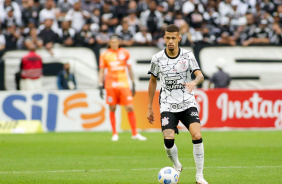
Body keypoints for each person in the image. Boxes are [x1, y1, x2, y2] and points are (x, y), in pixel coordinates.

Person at [147, 24, 208, 184]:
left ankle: (199, 176)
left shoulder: (188, 55)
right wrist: (149, 107)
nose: (170, 41)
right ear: (164, 38)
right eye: (168, 38)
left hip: (187, 102)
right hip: (167, 104)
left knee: (197, 135)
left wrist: (194, 82)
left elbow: (200, 75)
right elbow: (153, 81)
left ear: (179, 38)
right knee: (168, 140)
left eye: (173, 38)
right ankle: (176, 165)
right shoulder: (157, 58)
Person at [98, 35, 147, 142]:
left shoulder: (125, 52)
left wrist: (133, 83)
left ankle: (135, 133)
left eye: (116, 42)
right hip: (110, 85)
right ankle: (114, 133)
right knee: (112, 108)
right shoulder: (104, 54)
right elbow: (101, 71)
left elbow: (129, 68)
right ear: (109, 43)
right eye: (112, 42)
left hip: (123, 84)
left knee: (130, 107)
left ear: (119, 42)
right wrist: (100, 85)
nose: (114, 44)